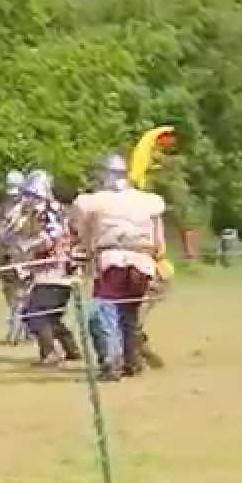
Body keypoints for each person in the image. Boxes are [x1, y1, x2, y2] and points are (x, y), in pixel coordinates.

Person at [71, 153, 166, 379]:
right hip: (143, 264)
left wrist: (86, 248)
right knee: (128, 314)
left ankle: (111, 362)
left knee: (104, 314)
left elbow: (83, 229)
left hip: (113, 260)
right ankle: (131, 362)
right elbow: (158, 237)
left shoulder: (95, 200)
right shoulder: (147, 200)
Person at [16, 170, 81, 368]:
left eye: (30, 194)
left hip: (54, 272)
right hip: (56, 272)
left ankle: (50, 353)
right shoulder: (50, 210)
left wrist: (28, 246)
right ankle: (72, 349)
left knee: (33, 314)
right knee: (50, 316)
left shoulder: (47, 211)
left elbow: (52, 237)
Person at [0, 170, 29, 345]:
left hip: (22, 255)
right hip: (3, 255)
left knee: (22, 294)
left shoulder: (28, 209)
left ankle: (17, 329)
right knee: (9, 293)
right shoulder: (1, 209)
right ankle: (19, 326)